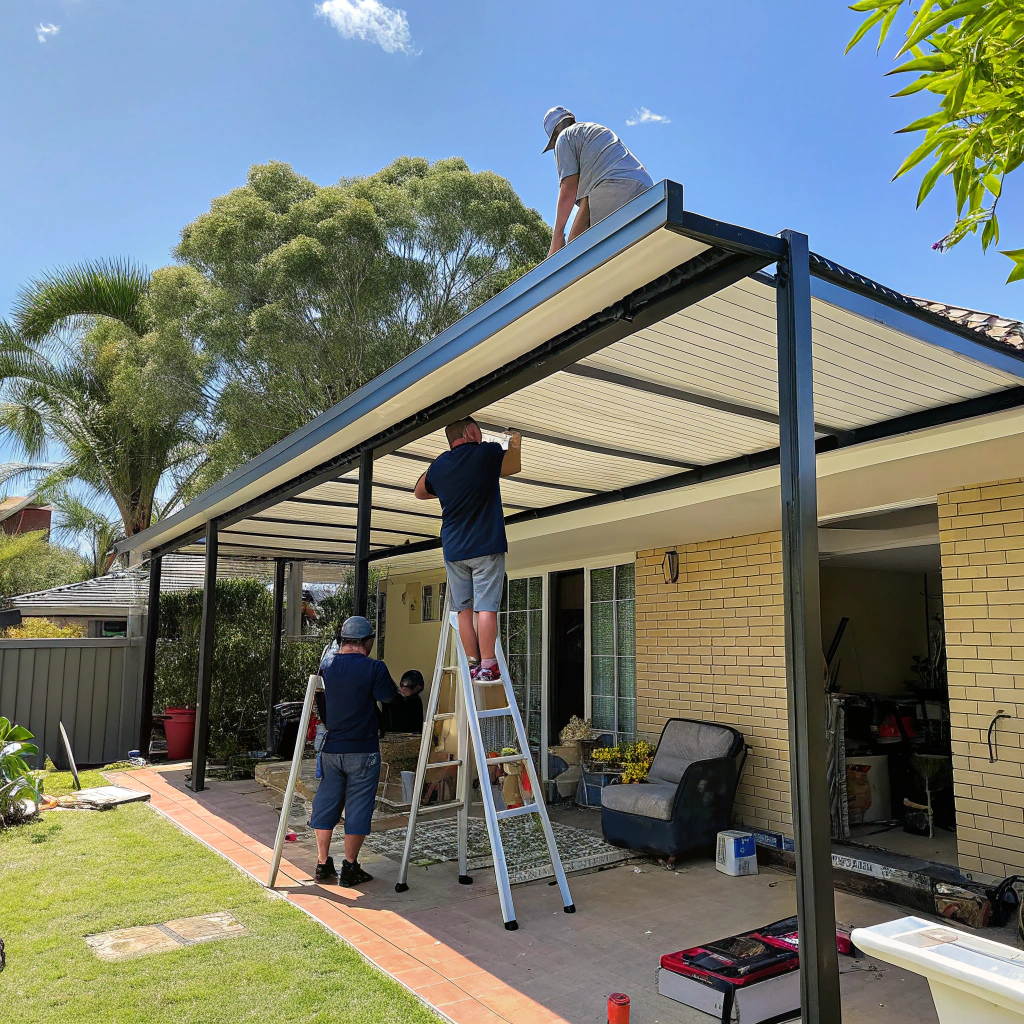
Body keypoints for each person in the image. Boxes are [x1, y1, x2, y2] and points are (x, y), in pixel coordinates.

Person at [413, 418, 521, 681]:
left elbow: (419, 492)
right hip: (485, 544)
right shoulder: (486, 453)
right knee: (486, 608)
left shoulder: (440, 465)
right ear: (471, 431)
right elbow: (513, 466)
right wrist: (514, 440)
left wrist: (448, 485)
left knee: (464, 610)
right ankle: (488, 664)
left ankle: (473, 663)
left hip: (454, 549)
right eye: (479, 432)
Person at [309, 615, 398, 886]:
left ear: (343, 639)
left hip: (331, 749)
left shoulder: (327, 666)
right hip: (362, 750)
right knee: (359, 807)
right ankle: (349, 868)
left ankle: (322, 864)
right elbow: (388, 696)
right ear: (367, 642)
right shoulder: (374, 667)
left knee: (326, 804)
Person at [542, 106, 654, 256]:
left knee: (575, 254)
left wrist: (557, 239)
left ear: (554, 135)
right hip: (645, 188)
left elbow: (568, 190)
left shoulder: (564, 138)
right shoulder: (593, 130)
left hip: (614, 187)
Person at [379, 669, 425, 735]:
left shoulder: (416, 700)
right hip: (392, 734)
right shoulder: (392, 697)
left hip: (404, 735)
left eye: (403, 686)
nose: (400, 689)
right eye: (401, 685)